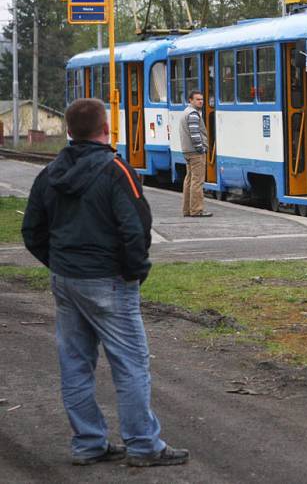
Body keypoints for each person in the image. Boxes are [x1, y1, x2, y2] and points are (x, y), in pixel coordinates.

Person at [21, 98, 189, 468]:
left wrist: (60, 264)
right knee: (130, 363)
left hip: (66, 280)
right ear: (106, 129)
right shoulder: (116, 170)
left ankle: (88, 443)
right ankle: (144, 445)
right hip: (109, 280)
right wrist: (134, 271)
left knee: (75, 362)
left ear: (68, 131)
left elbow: (31, 231)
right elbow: (136, 228)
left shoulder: (50, 173)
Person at [180, 90, 212, 217]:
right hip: (195, 152)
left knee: (189, 180)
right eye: (198, 99)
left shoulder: (185, 112)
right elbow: (195, 134)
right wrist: (201, 148)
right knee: (197, 181)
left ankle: (187, 209)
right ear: (190, 100)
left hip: (187, 151)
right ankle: (197, 210)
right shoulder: (193, 114)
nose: (201, 101)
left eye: (202, 99)